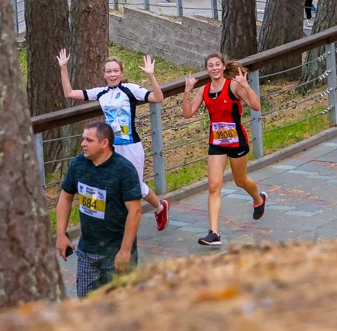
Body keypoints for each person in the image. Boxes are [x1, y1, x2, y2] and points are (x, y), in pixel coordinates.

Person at [57, 50, 171, 230]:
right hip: (109, 148)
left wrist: (151, 76)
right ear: (104, 74)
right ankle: (118, 223)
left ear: (121, 73)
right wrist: (63, 68)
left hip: (130, 145)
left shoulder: (131, 89)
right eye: (108, 71)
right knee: (110, 183)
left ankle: (159, 207)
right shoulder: (100, 92)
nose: (112, 75)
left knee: (136, 186)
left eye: (115, 71)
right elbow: (69, 93)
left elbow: (158, 98)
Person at [182, 53, 267, 246]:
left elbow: (256, 105)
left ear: (223, 66)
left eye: (217, 64)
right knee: (213, 186)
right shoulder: (204, 90)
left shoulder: (233, 86)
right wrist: (187, 91)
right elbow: (187, 113)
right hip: (217, 143)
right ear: (207, 70)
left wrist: (246, 86)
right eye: (210, 65)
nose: (214, 68)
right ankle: (214, 233)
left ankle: (258, 198)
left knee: (240, 180)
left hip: (237, 142)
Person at [55, 121, 143, 298]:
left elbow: (135, 211)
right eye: (83, 139)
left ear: (104, 143)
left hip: (117, 252)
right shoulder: (78, 164)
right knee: (87, 307)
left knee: (120, 308)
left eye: (89, 140)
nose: (83, 144)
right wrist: (61, 235)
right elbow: (65, 197)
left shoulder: (124, 170)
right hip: (87, 251)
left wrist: (125, 251)